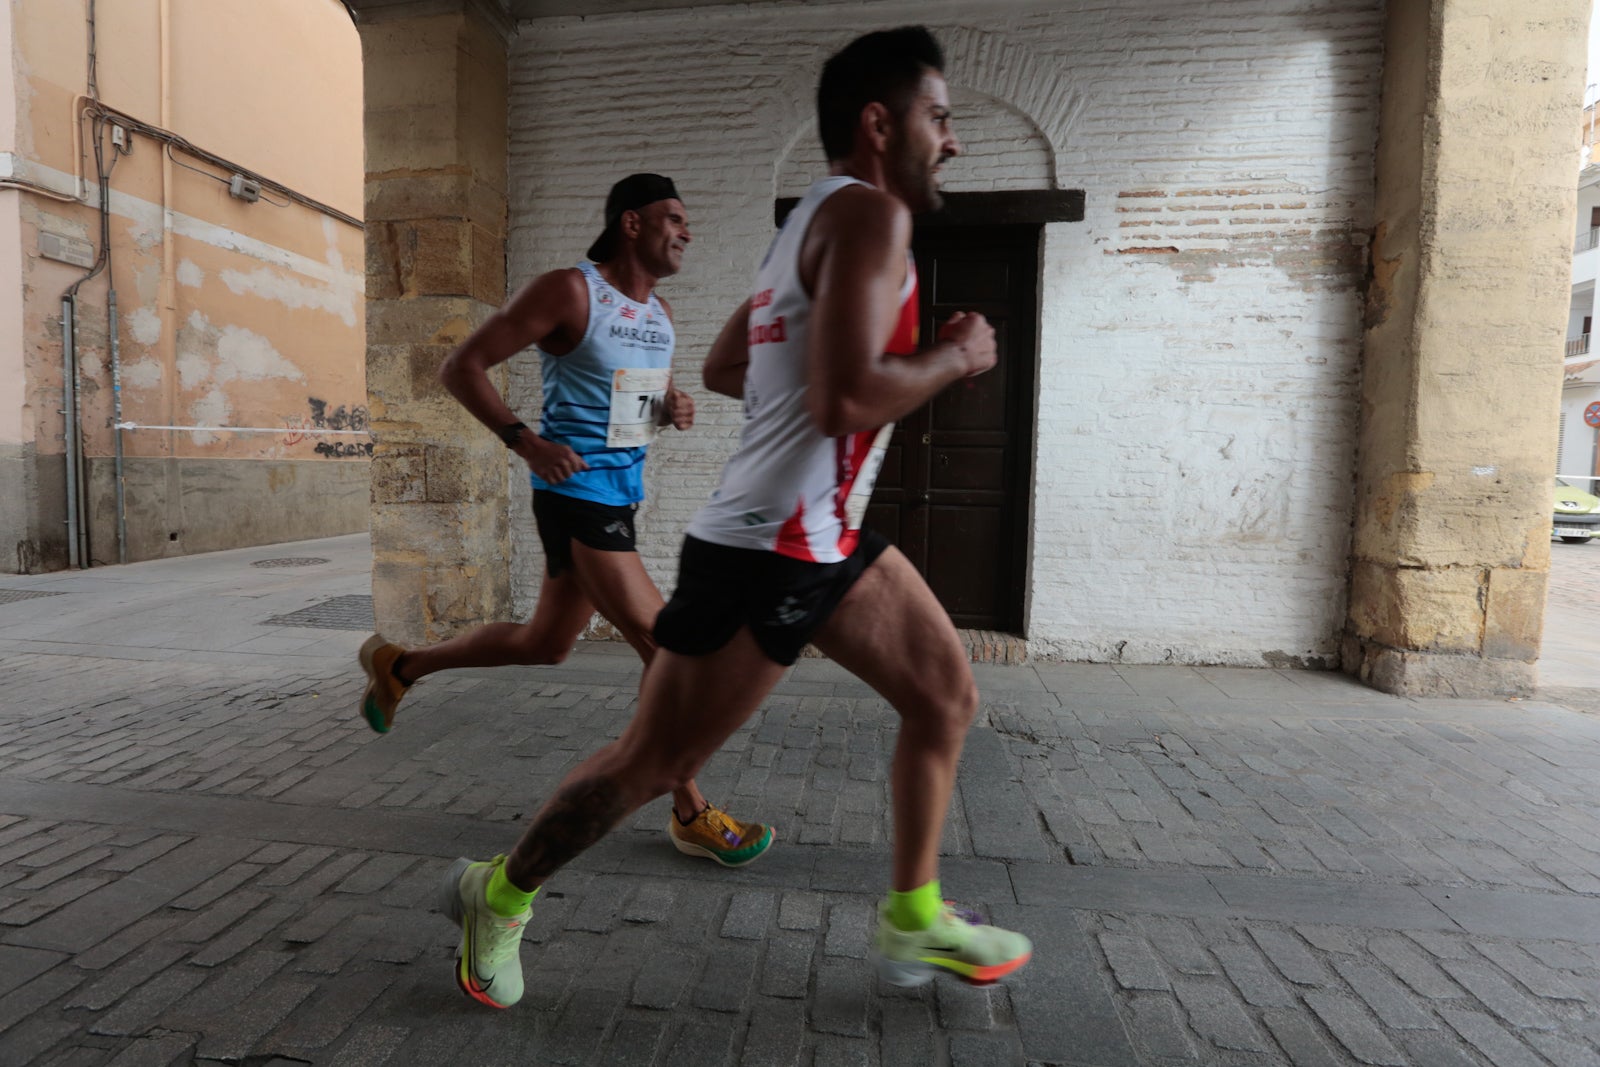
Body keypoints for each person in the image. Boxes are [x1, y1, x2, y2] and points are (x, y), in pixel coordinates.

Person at [439, 28, 1031, 1010]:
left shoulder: (810, 220)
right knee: (654, 762)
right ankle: (496, 896)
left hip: (825, 534)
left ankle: (914, 914)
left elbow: (723, 369)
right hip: (764, 549)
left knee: (944, 696)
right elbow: (844, 399)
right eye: (940, 116)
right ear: (879, 125)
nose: (953, 140)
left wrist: (800, 404)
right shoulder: (872, 218)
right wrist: (956, 358)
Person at [357, 174, 774, 889]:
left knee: (544, 644)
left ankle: (401, 666)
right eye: (674, 217)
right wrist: (525, 442)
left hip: (620, 495)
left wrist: (668, 406)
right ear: (632, 223)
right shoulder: (569, 291)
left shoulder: (661, 314)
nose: (687, 231)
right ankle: (691, 808)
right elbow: (462, 366)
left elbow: (625, 401)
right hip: (576, 497)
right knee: (670, 649)